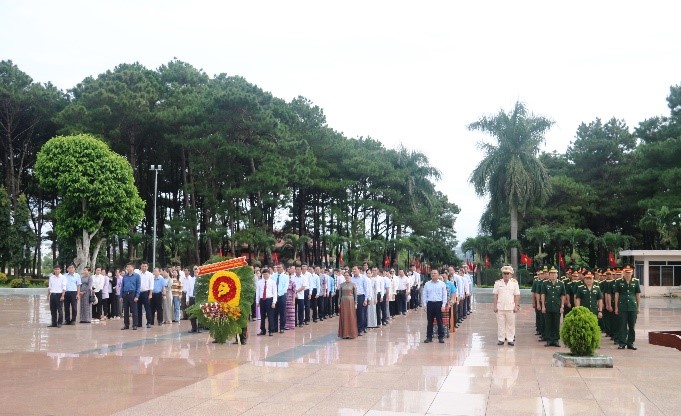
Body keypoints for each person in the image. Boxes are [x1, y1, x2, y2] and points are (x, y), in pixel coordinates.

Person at [614, 265, 641, 350]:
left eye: (629, 272)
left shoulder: (636, 281)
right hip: (622, 306)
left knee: (632, 326)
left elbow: (638, 294)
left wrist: (638, 307)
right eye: (626, 272)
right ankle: (622, 343)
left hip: (633, 306)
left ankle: (630, 343)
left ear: (632, 273)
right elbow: (616, 294)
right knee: (622, 325)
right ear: (623, 272)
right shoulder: (619, 281)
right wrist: (616, 307)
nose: (627, 274)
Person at [493, 265, 521, 346]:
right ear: (502, 274)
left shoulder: (514, 284)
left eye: (508, 273)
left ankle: (510, 339)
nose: (506, 275)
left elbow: (517, 295)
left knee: (511, 324)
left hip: (510, 307)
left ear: (511, 274)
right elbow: (495, 295)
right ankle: (501, 339)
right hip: (500, 307)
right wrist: (495, 306)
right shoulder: (498, 283)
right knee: (500, 324)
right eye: (504, 273)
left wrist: (516, 306)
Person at [541, 266, 565, 347]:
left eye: (554, 274)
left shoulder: (561, 284)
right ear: (549, 275)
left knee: (556, 323)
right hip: (548, 306)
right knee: (548, 323)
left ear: (557, 275)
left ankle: (556, 340)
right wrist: (543, 306)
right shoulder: (545, 283)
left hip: (557, 306)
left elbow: (563, 296)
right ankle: (549, 340)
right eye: (551, 274)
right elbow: (543, 295)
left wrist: (562, 306)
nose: (553, 275)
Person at [423, 269, 447, 344]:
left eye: (435, 273)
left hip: (438, 304)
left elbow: (444, 295)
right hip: (430, 304)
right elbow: (424, 295)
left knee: (440, 321)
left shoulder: (442, 284)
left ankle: (441, 337)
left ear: (438, 274)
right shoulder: (427, 284)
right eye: (432, 273)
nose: (433, 274)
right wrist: (424, 305)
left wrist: (443, 305)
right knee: (430, 321)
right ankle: (429, 337)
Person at [256, 269, 277, 336]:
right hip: (262, 300)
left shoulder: (272, 282)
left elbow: (275, 293)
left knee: (270, 316)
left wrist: (274, 302)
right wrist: (257, 301)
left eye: (267, 274)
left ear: (269, 274)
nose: (265, 276)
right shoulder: (259, 282)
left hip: (269, 300)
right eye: (264, 274)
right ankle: (262, 330)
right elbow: (258, 292)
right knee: (262, 316)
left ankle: (271, 330)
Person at [338, 271, 358, 339]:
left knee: (351, 316)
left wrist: (355, 303)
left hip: (351, 301)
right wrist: (339, 303)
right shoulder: (342, 284)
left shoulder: (353, 284)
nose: (346, 276)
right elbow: (339, 295)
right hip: (343, 301)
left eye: (347, 275)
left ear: (350, 276)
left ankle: (351, 333)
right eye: (345, 275)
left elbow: (355, 295)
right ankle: (344, 334)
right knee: (344, 316)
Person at [120, 263, 140, 330]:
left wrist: (137, 296)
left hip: (133, 294)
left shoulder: (137, 276)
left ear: (132, 268)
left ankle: (135, 324)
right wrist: (121, 296)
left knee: (134, 310)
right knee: (125, 311)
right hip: (125, 294)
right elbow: (122, 286)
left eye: (129, 267)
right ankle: (126, 324)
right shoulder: (125, 276)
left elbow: (138, 287)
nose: (127, 268)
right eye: (127, 267)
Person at [351, 266, 370, 335]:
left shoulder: (363, 278)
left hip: (361, 296)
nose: (354, 270)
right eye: (353, 269)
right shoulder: (351, 278)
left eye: (355, 269)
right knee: (355, 313)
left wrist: (366, 299)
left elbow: (366, 289)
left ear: (359, 270)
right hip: (353, 297)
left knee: (361, 313)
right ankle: (357, 327)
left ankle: (361, 329)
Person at [137, 261, 154, 329]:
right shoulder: (137, 274)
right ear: (140, 266)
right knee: (138, 308)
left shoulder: (150, 274)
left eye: (145, 266)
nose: (144, 267)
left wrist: (150, 294)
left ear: (147, 267)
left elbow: (151, 285)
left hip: (146, 293)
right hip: (138, 293)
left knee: (147, 308)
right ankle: (139, 323)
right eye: (143, 266)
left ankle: (149, 322)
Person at [273, 264, 289, 333]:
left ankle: (282, 327)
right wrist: (274, 295)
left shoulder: (286, 276)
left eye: (279, 267)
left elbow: (285, 287)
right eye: (277, 267)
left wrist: (279, 294)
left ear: (283, 268)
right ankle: (275, 328)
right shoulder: (273, 276)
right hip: (274, 296)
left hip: (282, 296)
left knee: (282, 312)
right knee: (274, 312)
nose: (278, 268)